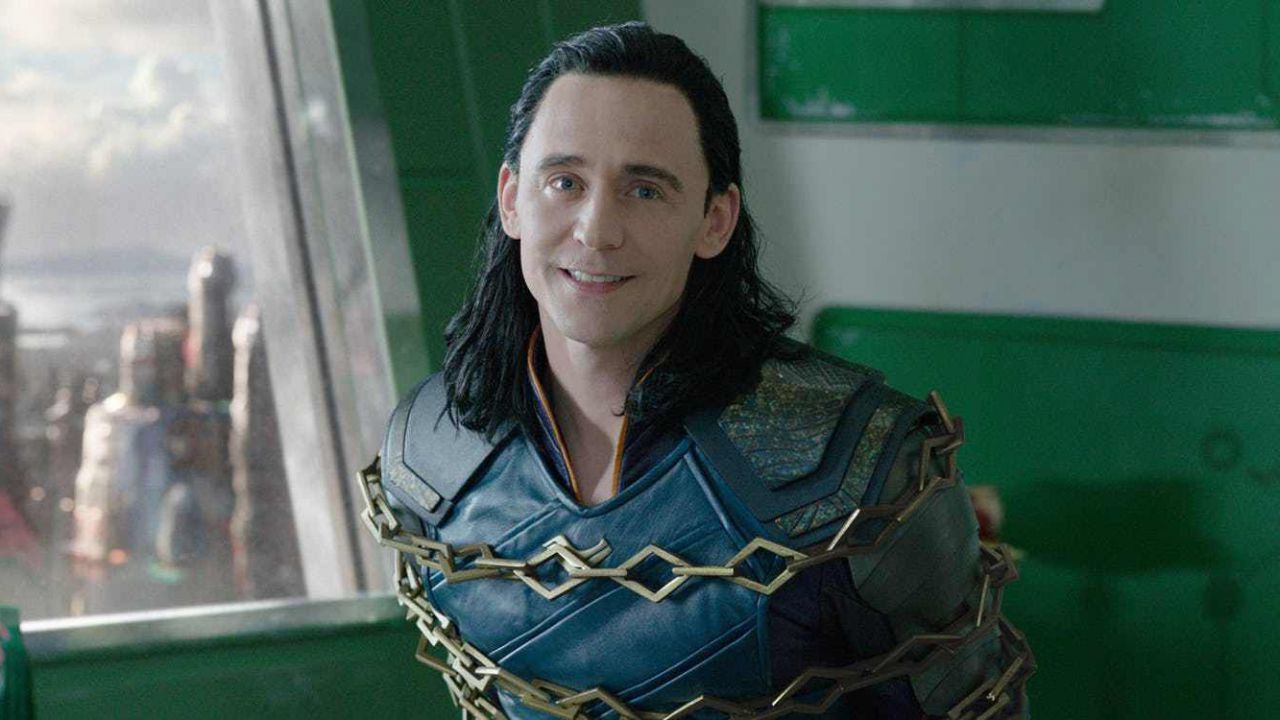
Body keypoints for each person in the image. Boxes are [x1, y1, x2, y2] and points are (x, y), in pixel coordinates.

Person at [358, 22, 1033, 719]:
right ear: (511, 200)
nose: (596, 230)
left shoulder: (863, 469)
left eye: (645, 190)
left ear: (715, 220)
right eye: (564, 181)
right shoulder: (430, 460)